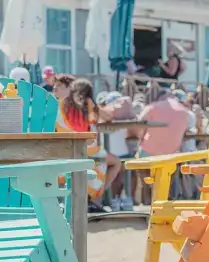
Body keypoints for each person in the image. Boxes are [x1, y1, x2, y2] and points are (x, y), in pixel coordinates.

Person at [54, 76, 124, 207]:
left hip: (66, 152)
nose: (55, 89)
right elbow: (107, 117)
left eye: (59, 86)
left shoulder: (58, 106)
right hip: (89, 151)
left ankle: (86, 197)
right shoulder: (88, 105)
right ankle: (96, 196)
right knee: (116, 163)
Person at [137, 88, 191, 199]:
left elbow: (140, 124)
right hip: (172, 152)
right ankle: (166, 195)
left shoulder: (153, 107)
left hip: (150, 150)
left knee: (138, 163)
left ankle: (147, 195)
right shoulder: (184, 111)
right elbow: (187, 129)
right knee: (171, 168)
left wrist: (140, 139)